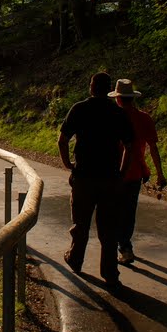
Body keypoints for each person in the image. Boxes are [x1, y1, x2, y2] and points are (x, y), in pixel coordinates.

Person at [58, 71, 134, 288]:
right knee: (109, 228)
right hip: (110, 178)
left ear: (91, 87)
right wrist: (122, 172)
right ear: (109, 90)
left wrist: (68, 164)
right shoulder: (118, 113)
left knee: (81, 222)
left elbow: (63, 140)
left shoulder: (79, 109)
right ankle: (109, 272)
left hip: (84, 177)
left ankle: (75, 259)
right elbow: (130, 146)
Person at [109, 78, 167, 265]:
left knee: (113, 211)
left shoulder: (111, 117)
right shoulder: (144, 118)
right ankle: (124, 246)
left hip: (113, 172)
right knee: (128, 211)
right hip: (135, 173)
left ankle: (122, 247)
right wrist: (160, 173)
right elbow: (153, 148)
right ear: (132, 98)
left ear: (117, 99)